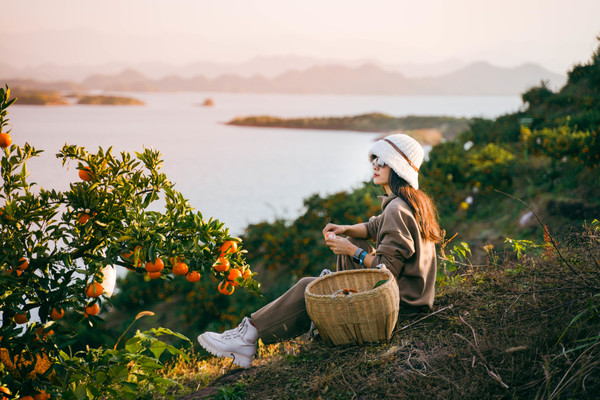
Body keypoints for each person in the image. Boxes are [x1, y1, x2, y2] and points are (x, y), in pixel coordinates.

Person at [197, 133, 442, 368]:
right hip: (411, 301)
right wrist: (345, 229)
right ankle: (254, 334)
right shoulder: (410, 202)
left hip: (402, 308)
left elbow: (387, 269)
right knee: (350, 248)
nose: (375, 165)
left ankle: (246, 338)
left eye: (382, 161)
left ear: (398, 168)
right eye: (373, 159)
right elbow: (373, 227)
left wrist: (350, 250)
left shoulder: (397, 210)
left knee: (308, 287)